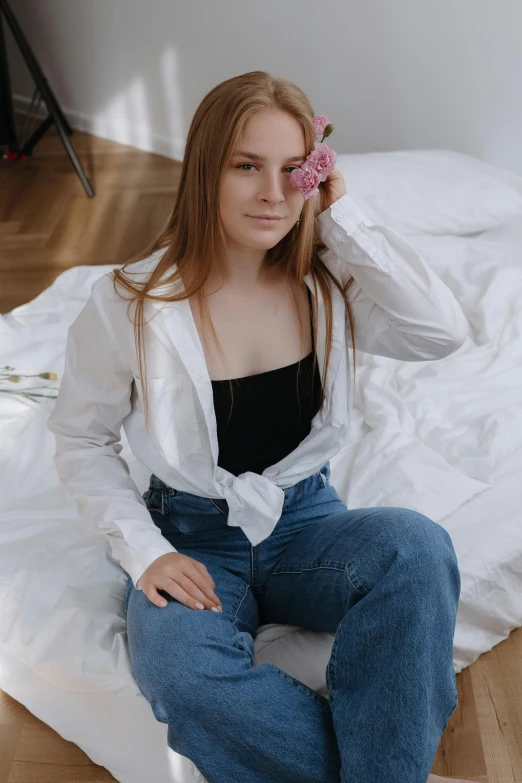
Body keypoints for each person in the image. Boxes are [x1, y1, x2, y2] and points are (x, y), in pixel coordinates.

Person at [48, 71, 476, 783]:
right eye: (248, 166)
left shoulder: (325, 283)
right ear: (206, 170)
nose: (274, 193)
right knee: (180, 673)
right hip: (191, 538)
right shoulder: (128, 300)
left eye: (291, 170)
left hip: (307, 521)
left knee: (418, 548)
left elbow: (441, 331)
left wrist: (342, 217)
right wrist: (145, 551)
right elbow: (79, 437)